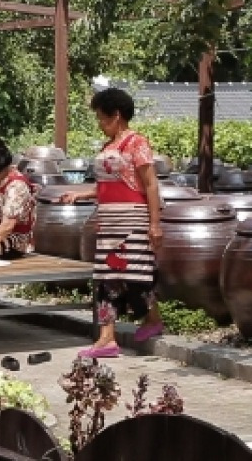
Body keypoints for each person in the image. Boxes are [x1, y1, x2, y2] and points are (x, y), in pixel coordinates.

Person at [60, 88, 164, 359]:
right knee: (107, 278)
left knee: (136, 275)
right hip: (109, 219)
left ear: (117, 116)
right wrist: (80, 194)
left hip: (133, 217)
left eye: (102, 118)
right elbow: (106, 186)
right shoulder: (108, 147)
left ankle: (153, 318)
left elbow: (150, 184)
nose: (100, 124)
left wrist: (155, 223)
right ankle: (107, 337)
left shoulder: (137, 143)